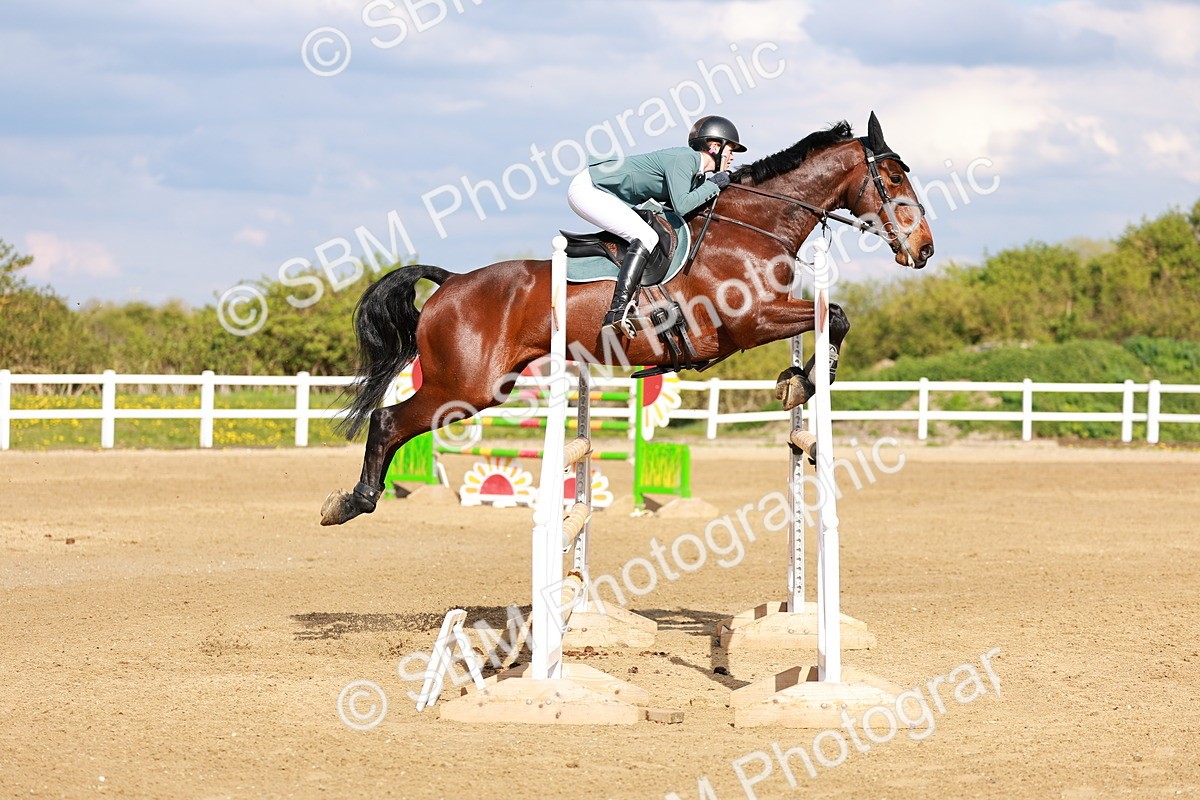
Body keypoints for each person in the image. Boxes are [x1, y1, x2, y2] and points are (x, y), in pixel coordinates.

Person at [567, 115, 747, 336]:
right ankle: (618, 310)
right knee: (646, 236)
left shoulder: (696, 176)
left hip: (602, 192)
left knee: (647, 234)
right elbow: (682, 206)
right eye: (731, 150)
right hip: (589, 189)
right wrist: (714, 185)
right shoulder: (686, 159)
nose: (731, 158)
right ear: (714, 146)